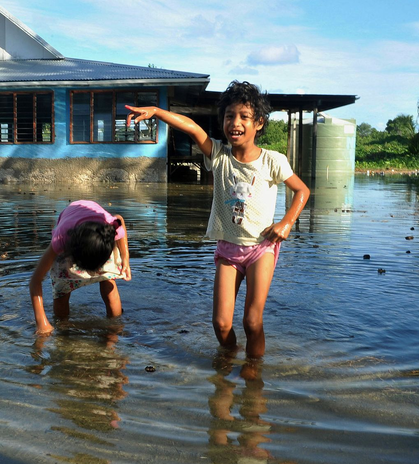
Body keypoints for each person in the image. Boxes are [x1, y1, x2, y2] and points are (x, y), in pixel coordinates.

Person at [126, 80, 310, 359]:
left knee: (251, 321)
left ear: (258, 123)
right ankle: (228, 358)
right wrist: (157, 111)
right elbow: (191, 128)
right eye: (229, 116)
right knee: (221, 324)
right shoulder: (218, 155)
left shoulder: (273, 160)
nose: (235, 122)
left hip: (262, 248)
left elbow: (302, 191)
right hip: (228, 249)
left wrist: (285, 223)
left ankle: (253, 371)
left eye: (244, 117)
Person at [30, 200, 131, 335]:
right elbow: (35, 280)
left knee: (108, 281)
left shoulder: (109, 227)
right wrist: (42, 323)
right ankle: (63, 327)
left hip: (97, 238)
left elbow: (119, 220)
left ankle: (115, 325)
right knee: (61, 291)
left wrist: (125, 259)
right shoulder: (61, 239)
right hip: (73, 241)